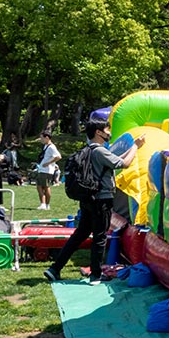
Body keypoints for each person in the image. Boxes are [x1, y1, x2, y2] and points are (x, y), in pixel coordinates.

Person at [42, 116, 143, 284]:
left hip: (88, 198)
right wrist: (136, 146)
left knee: (79, 235)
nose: (109, 133)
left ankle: (55, 268)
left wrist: (133, 149)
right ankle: (96, 275)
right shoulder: (100, 151)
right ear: (98, 132)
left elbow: (116, 160)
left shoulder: (89, 150)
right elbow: (124, 164)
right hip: (102, 199)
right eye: (107, 130)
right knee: (100, 236)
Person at [33, 131, 61, 212]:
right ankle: (44, 204)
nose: (41, 139)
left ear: (47, 137)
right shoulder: (46, 146)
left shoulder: (52, 147)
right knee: (40, 186)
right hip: (42, 169)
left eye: (42, 138)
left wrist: (48, 163)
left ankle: (45, 204)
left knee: (44, 186)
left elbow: (58, 157)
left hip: (46, 170)